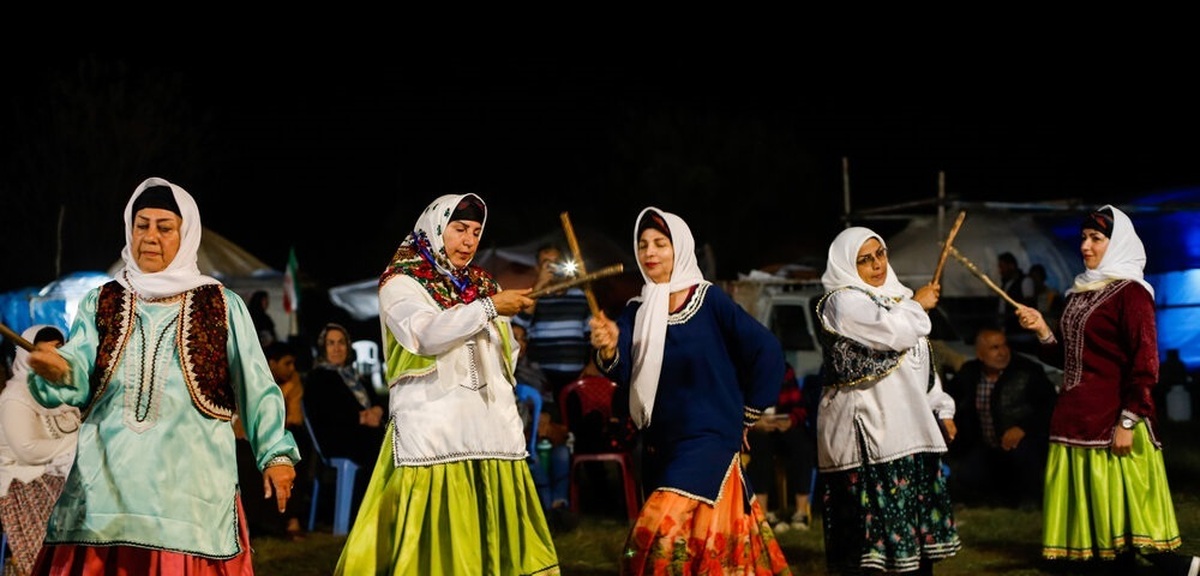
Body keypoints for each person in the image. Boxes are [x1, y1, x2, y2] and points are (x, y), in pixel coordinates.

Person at [24, 177, 299, 574]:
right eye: (142, 225)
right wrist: (58, 371)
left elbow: (257, 386)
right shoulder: (101, 301)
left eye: (164, 227)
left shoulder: (221, 305)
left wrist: (275, 453)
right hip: (104, 499)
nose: (150, 236)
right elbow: (78, 369)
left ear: (186, 235)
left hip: (188, 504)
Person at [333, 193, 558, 575]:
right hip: (434, 426)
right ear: (436, 229)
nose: (468, 241)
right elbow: (424, 334)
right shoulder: (402, 281)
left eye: (475, 232)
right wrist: (489, 309)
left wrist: (504, 323)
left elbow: (507, 352)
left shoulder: (483, 282)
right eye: (458, 229)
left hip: (489, 428)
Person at [588, 206, 792, 574]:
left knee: (655, 537)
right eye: (643, 244)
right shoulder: (637, 311)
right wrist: (607, 347)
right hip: (659, 443)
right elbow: (623, 369)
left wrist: (747, 414)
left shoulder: (708, 300)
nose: (650, 252)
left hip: (709, 437)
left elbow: (767, 350)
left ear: (679, 248)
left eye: (660, 244)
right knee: (699, 542)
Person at [1015, 205, 1200, 575]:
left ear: (1116, 244)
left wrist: (1128, 421)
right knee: (1099, 541)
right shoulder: (1078, 292)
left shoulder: (1131, 294)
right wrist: (1042, 330)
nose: (1085, 246)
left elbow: (1145, 364)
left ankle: (1180, 567)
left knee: (1133, 528)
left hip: (1112, 422)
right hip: (1074, 419)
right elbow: (1074, 359)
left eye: (1096, 238)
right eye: (1084, 238)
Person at [815, 226, 960, 575]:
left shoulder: (898, 300)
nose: (877, 265)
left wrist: (942, 407)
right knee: (871, 550)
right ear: (849, 266)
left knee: (913, 550)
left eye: (880, 254)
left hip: (908, 433)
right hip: (868, 437)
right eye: (865, 260)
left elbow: (919, 364)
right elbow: (891, 333)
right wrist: (916, 306)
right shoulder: (843, 301)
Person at [945, 327, 1056, 509]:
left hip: (1022, 446)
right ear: (980, 354)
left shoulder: (1027, 371)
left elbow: (1049, 405)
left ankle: (1029, 499)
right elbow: (950, 401)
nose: (1002, 352)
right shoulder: (969, 374)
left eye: (1005, 346)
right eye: (994, 348)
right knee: (967, 475)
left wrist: (1023, 428)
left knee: (1025, 463)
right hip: (984, 447)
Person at [0, 325, 78, 576]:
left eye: (60, 349)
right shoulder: (16, 395)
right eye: (47, 350)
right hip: (26, 484)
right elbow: (27, 450)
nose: (56, 356)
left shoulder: (64, 393)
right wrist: (80, 443)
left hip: (59, 478)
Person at [301, 322, 385, 521]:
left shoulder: (355, 376)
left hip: (360, 432)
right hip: (335, 438)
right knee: (380, 444)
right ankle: (369, 513)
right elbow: (323, 414)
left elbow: (377, 400)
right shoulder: (318, 377)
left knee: (389, 440)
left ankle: (383, 509)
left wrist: (378, 410)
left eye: (341, 343)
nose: (337, 348)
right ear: (323, 347)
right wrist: (361, 417)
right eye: (331, 343)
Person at [235, 340, 310, 541]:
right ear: (271, 363)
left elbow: (294, 418)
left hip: (277, 436)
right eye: (287, 363)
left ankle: (290, 519)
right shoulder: (249, 378)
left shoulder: (292, 381)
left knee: (295, 454)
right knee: (245, 457)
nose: (292, 369)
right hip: (246, 438)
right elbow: (239, 419)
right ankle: (253, 523)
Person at [512, 323, 576, 533]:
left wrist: (547, 417)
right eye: (514, 338)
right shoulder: (500, 372)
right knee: (534, 459)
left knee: (561, 453)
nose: (519, 344)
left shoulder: (534, 369)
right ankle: (546, 513)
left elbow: (547, 400)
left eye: (522, 339)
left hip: (541, 431)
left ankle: (560, 505)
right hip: (518, 434)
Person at [513, 242, 593, 395]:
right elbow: (519, 325)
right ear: (538, 268)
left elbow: (591, 335)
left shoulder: (580, 296)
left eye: (556, 262)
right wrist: (540, 285)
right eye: (546, 263)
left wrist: (591, 365)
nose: (553, 268)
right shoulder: (533, 298)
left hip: (577, 378)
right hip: (540, 380)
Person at [745, 361, 815, 534]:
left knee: (802, 443)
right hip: (756, 426)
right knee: (760, 446)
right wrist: (755, 422)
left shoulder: (784, 369)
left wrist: (790, 420)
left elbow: (798, 406)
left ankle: (801, 512)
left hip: (781, 424)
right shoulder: (744, 369)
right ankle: (763, 513)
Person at [998, 252, 1037, 353]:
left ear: (1011, 266)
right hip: (1008, 331)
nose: (1000, 271)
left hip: (1021, 332)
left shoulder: (1025, 281)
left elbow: (1028, 303)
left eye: (1002, 267)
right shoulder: (1006, 283)